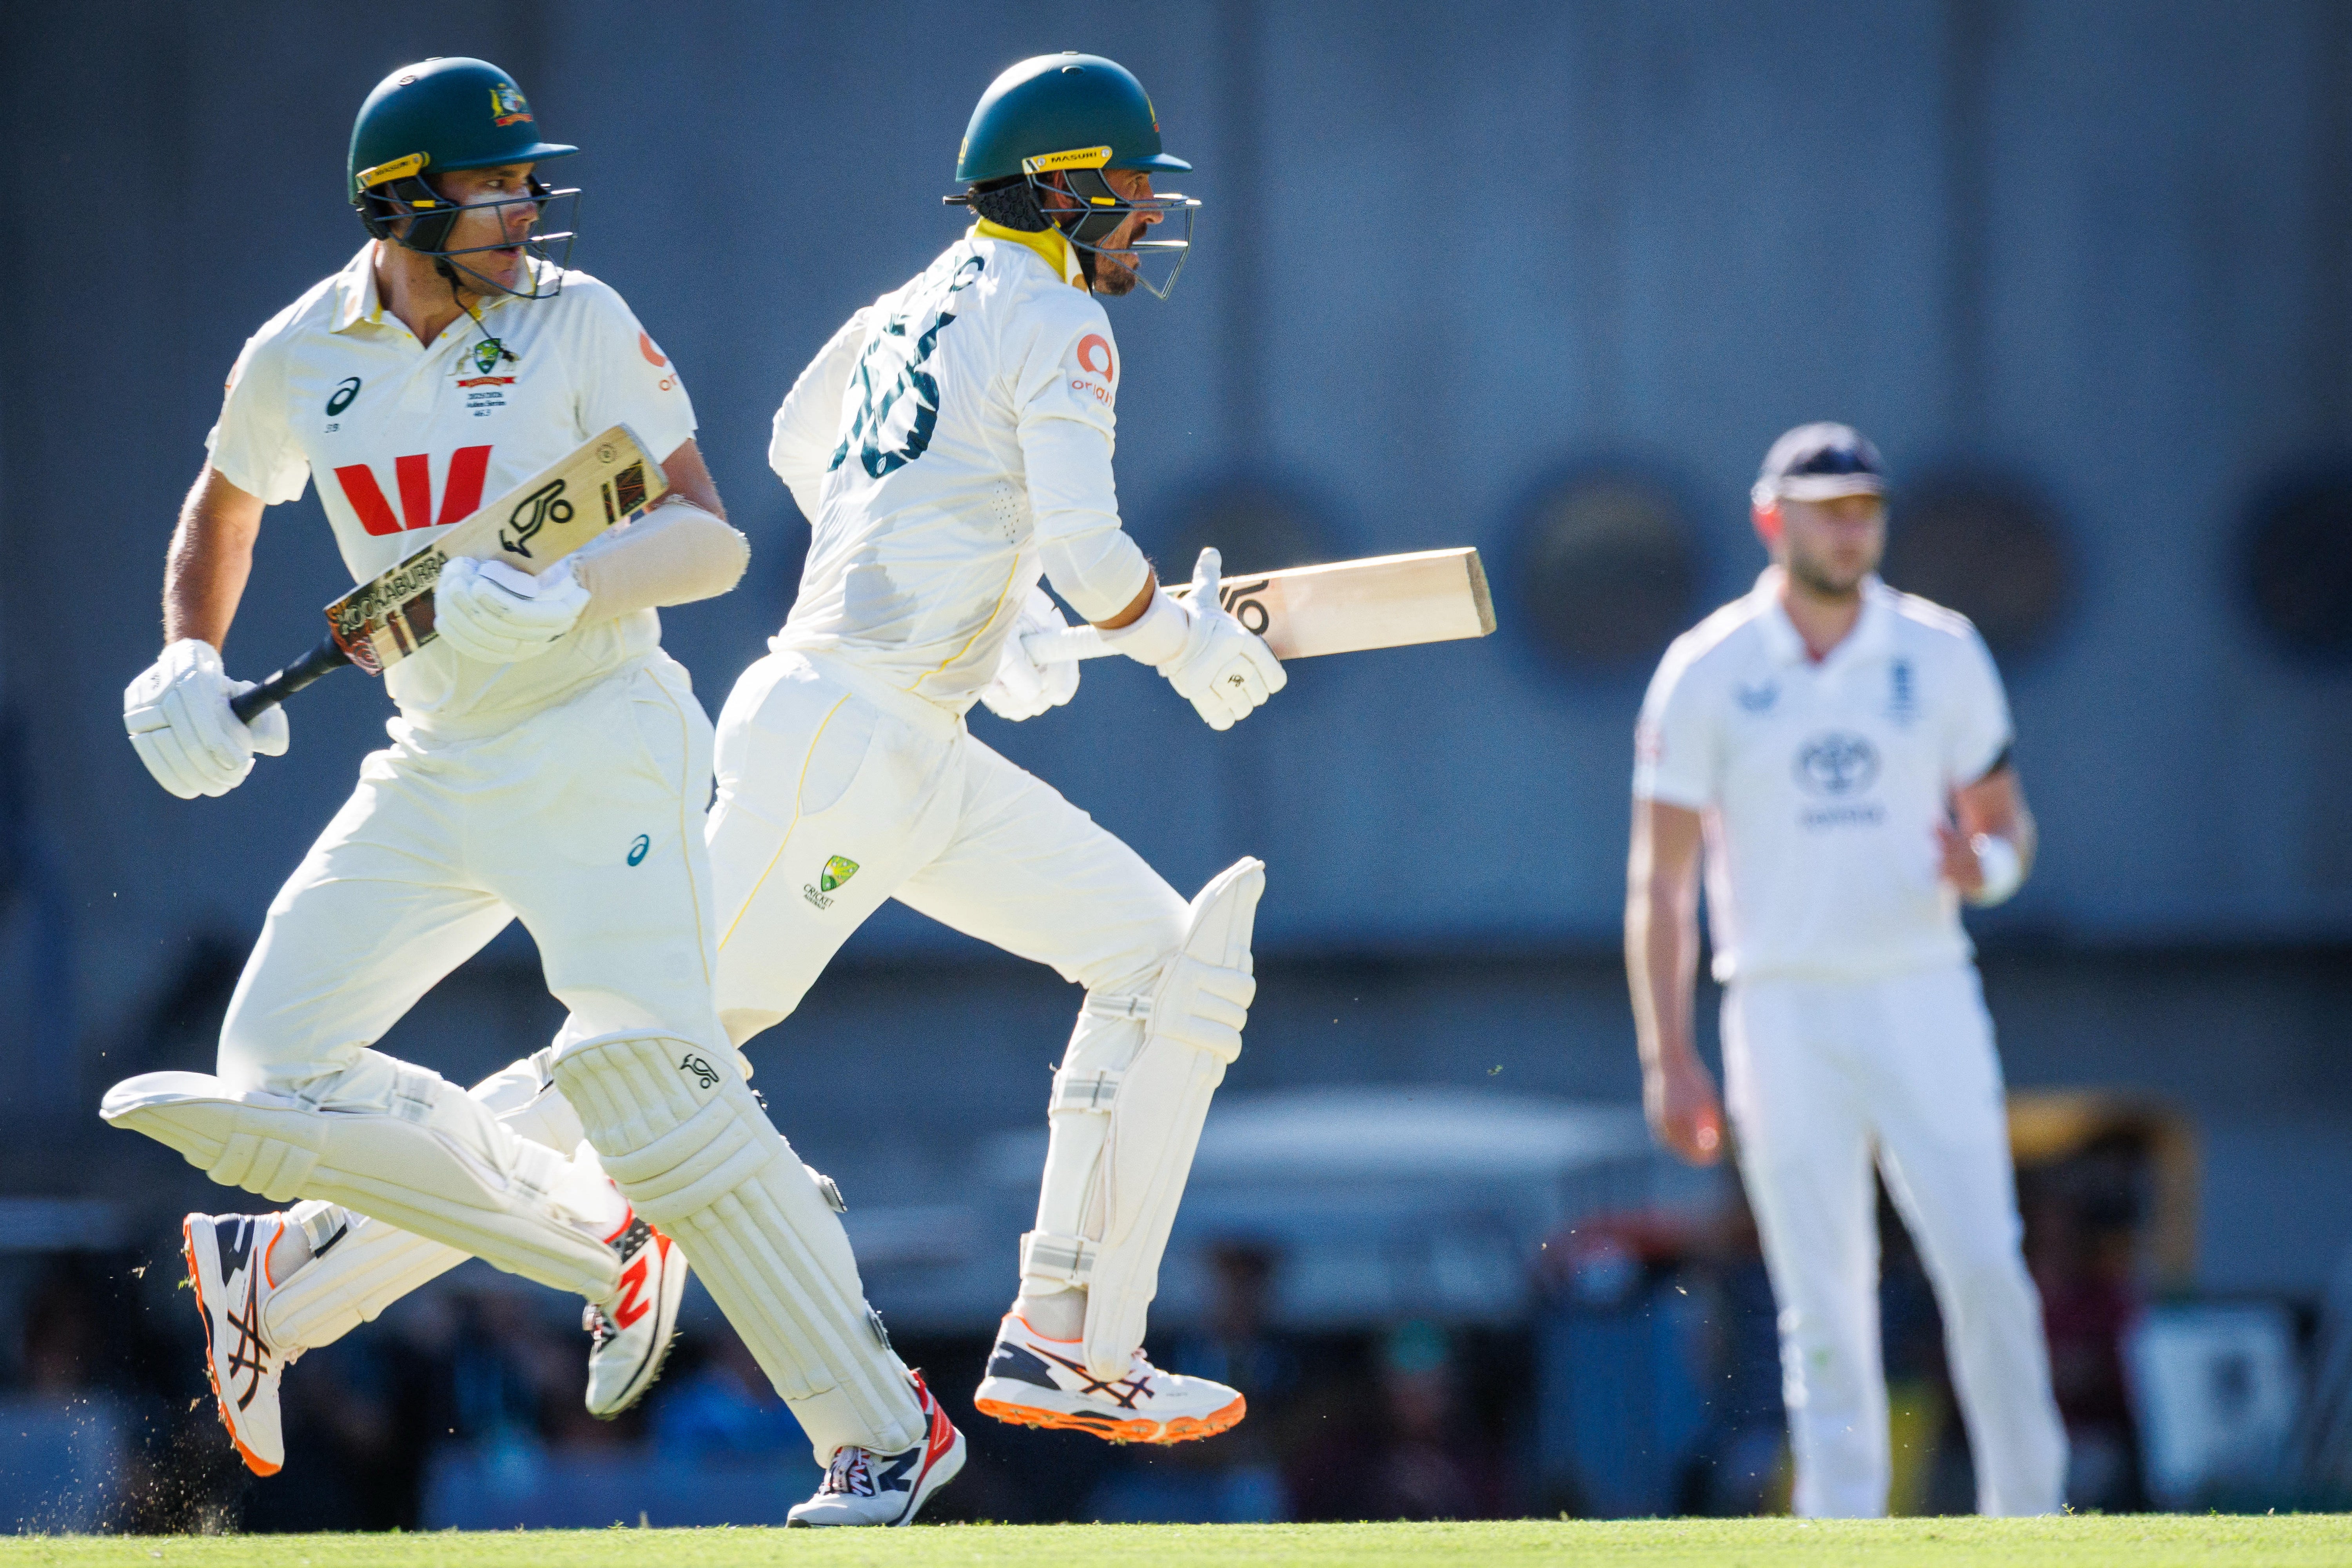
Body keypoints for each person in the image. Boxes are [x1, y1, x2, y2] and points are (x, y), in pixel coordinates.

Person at [160, 51, 1278, 1530]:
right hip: (839, 740)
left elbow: (797, 450)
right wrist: (1172, 635)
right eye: (1126, 193)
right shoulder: (1062, 316)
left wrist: (965, 600)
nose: (1141, 221)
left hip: (879, 732)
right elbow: (1092, 548)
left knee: (1147, 962)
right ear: (1066, 193)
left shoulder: (910, 303)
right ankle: (300, 1273)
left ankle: (1070, 1338)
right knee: (650, 1081)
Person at [95, 58, 972, 1510]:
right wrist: (191, 653)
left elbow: (711, 536)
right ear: (399, 207)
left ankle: (886, 1430)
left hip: (601, 725)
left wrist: (571, 589)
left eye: (523, 186)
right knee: (272, 1077)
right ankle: (586, 1236)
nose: (519, 213)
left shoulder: (581, 321)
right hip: (435, 757)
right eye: (488, 192)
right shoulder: (301, 353)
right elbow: (230, 493)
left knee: (661, 1085)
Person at [1622, 423, 2067, 1517]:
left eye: (1865, 506)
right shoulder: (1709, 670)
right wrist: (1668, 1057)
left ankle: (2034, 1518)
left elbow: (2006, 828)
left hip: (1923, 989)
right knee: (1821, 1292)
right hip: (1778, 1002)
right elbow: (1662, 884)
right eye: (1826, 507)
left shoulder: (1943, 651)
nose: (1849, 526)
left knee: (1982, 1262)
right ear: (1773, 519)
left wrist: (1989, 866)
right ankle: (1843, 1525)